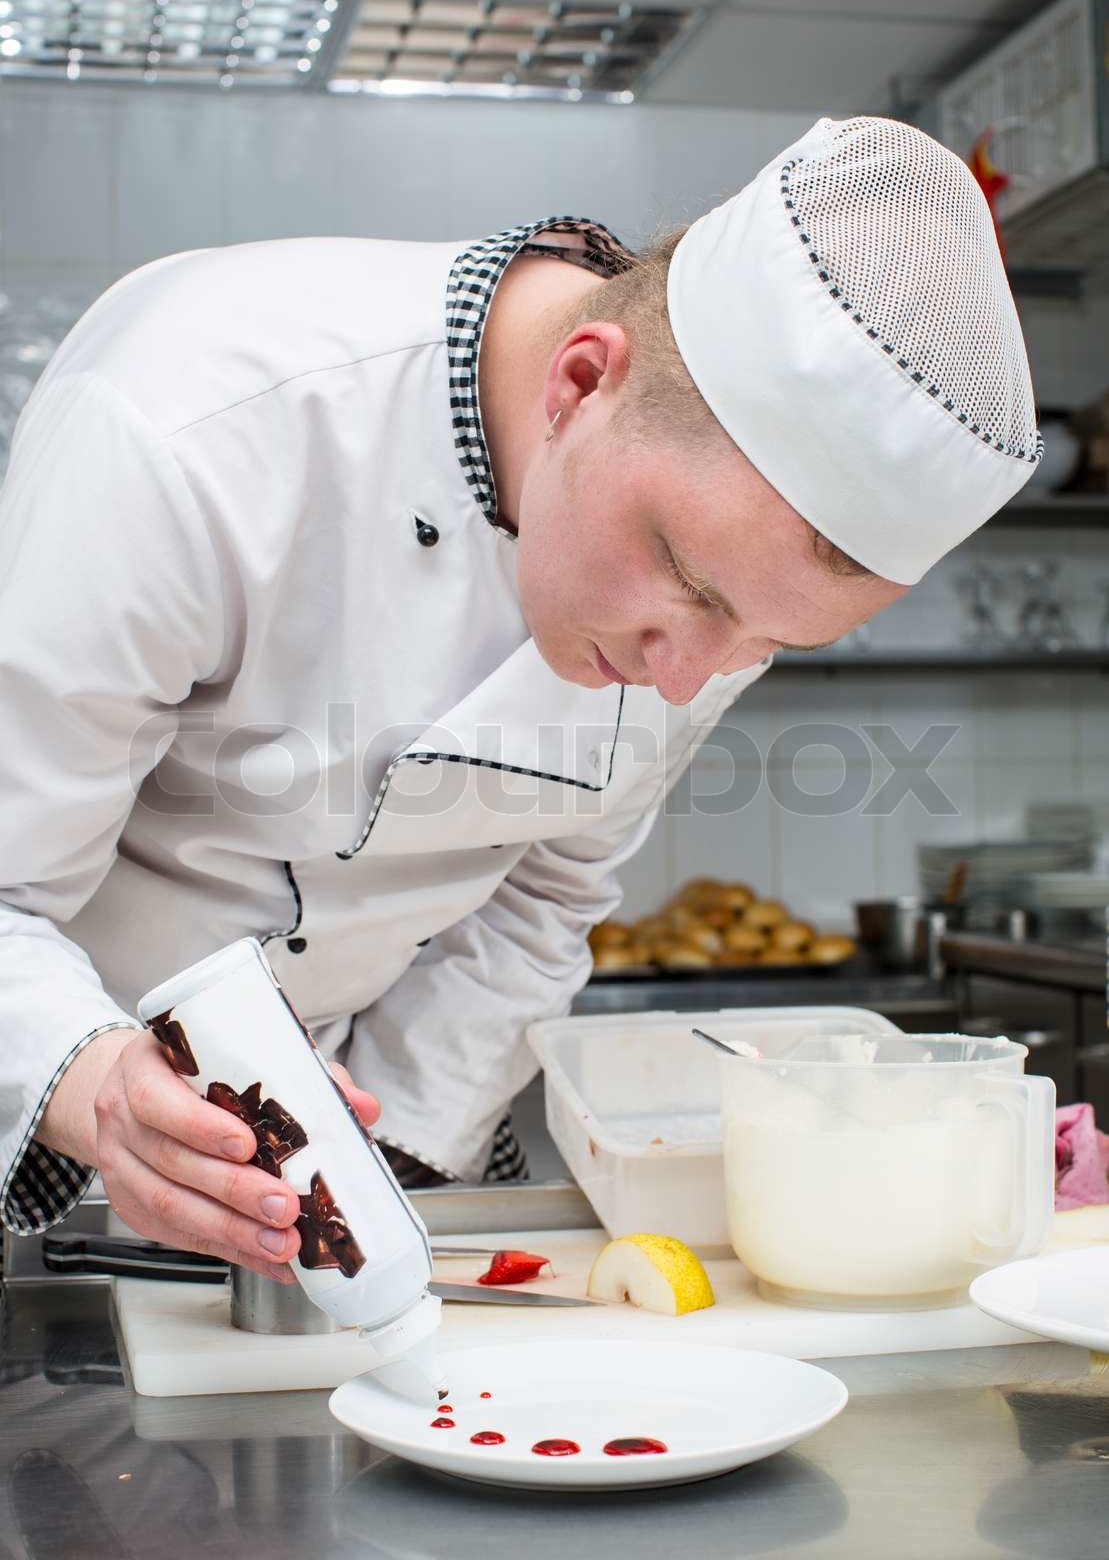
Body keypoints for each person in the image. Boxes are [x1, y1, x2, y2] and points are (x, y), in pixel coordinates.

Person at [0, 115, 1039, 1282]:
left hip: (385, 1146)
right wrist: (95, 1088)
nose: (688, 675)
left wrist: (374, 1182)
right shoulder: (188, 425)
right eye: (689, 584)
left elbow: (546, 896)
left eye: (765, 643)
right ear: (580, 380)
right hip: (74, 1125)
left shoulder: (713, 597)